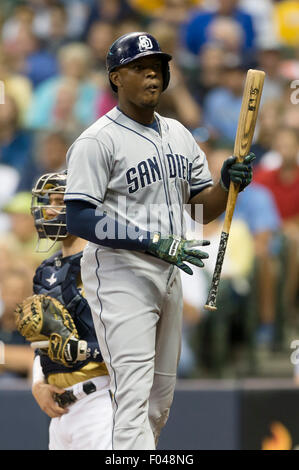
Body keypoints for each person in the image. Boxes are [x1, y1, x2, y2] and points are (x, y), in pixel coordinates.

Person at [64, 32, 255, 450]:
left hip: (168, 269)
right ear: (116, 77)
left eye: (159, 65)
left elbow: (199, 207)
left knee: (158, 402)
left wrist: (225, 184)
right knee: (132, 397)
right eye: (140, 66)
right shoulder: (98, 140)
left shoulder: (178, 134)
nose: (153, 72)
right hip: (120, 272)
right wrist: (152, 241)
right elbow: (77, 215)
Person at [30, 171, 112, 450]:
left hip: (103, 401)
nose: (51, 209)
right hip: (61, 410)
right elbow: (42, 342)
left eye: (60, 201)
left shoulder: (107, 263)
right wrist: (38, 384)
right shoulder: (47, 271)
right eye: (49, 200)